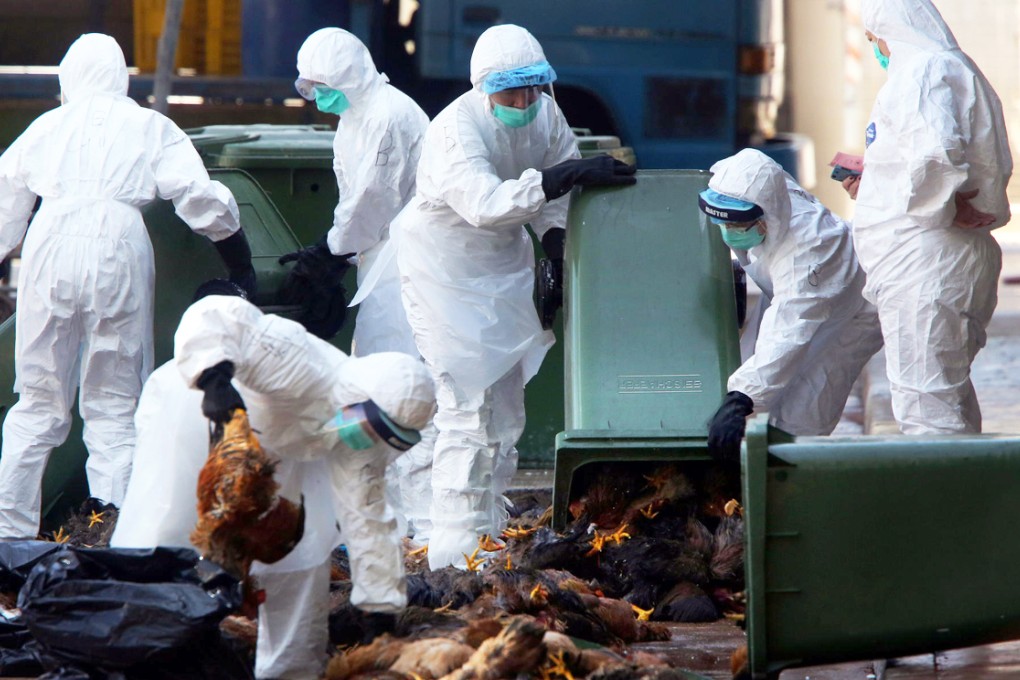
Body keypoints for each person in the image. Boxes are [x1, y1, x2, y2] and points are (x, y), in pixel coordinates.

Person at [396, 23, 636, 570]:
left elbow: (555, 199)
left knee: (504, 407)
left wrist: (556, 247)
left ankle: (487, 531)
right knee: (465, 405)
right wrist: (561, 177)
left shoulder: (545, 113)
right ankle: (453, 548)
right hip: (444, 268)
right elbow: (485, 205)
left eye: (532, 88)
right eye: (511, 93)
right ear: (484, 89)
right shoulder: (455, 129)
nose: (524, 102)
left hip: (502, 261)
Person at [0, 34, 255, 539]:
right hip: (119, 247)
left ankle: (8, 537)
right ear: (120, 77)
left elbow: (5, 203)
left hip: (49, 246)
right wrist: (240, 262)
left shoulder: (47, 126)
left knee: (37, 402)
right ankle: (111, 536)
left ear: (69, 78)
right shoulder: (149, 126)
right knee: (114, 404)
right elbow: (198, 195)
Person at [114, 290, 435, 680]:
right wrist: (215, 378)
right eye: (372, 424)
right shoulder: (300, 360)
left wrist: (379, 607)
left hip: (282, 453)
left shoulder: (356, 444)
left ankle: (289, 670)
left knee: (302, 549)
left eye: (383, 434)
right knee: (166, 538)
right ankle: (142, 653)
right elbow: (216, 312)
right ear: (360, 396)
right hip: (197, 420)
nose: (368, 437)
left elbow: (367, 517)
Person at [288, 27, 437, 540]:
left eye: (323, 85)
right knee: (375, 381)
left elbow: (372, 200)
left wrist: (330, 250)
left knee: (404, 384)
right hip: (382, 260)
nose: (317, 96)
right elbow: (355, 202)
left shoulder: (387, 115)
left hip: (409, 261)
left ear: (348, 77)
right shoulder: (354, 118)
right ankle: (391, 518)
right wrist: (339, 252)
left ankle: (425, 526)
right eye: (310, 86)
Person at [844, 0, 1012, 434]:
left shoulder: (920, 73)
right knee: (947, 401)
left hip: (926, 264)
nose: (877, 49)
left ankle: (941, 482)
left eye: (874, 39)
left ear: (892, 32)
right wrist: (877, 183)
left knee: (927, 412)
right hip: (943, 260)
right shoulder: (953, 69)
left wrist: (945, 204)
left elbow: (935, 155)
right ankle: (966, 478)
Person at [699, 149, 884, 459]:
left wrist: (741, 399)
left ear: (767, 214)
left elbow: (788, 332)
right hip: (791, 297)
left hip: (851, 314)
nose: (729, 232)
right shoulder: (764, 191)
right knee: (751, 374)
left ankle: (788, 473)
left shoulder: (810, 250)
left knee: (802, 412)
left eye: (739, 224)